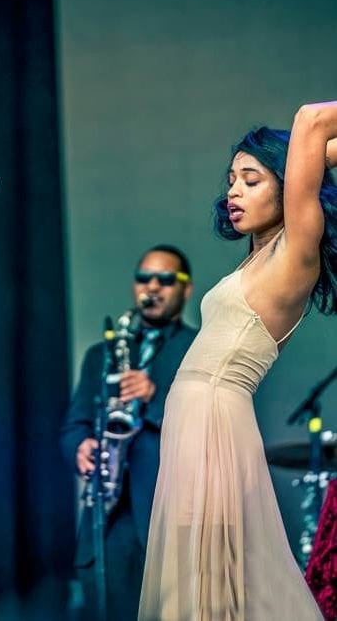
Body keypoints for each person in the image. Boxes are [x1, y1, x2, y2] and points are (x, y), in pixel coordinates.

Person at [139, 102, 337, 620]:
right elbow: (318, 151)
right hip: (195, 417)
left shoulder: (296, 250)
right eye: (231, 180)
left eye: (251, 180)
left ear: (289, 188)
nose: (233, 192)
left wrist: (311, 160)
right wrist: (313, 160)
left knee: (210, 577)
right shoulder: (260, 255)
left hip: (213, 416)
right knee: (198, 576)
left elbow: (312, 121)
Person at [60, 245, 197, 621]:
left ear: (186, 289)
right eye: (143, 278)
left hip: (170, 518)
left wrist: (155, 397)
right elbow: (74, 425)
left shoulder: (199, 350)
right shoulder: (101, 354)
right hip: (108, 520)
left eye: (165, 279)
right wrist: (80, 447)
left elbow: (213, 427)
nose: (152, 287)